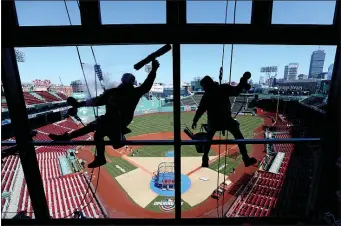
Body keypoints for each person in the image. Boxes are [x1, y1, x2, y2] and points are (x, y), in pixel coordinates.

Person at [49, 60, 160, 168]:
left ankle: (69, 138)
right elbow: (147, 85)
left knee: (94, 127)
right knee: (98, 134)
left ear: (123, 81)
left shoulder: (115, 92)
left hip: (113, 121)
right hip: (116, 121)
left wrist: (79, 104)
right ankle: (98, 155)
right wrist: (154, 70)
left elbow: (96, 101)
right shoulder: (132, 92)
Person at [191, 73, 257, 168]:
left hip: (213, 122)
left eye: (203, 86)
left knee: (208, 138)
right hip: (226, 120)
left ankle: (205, 158)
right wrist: (243, 80)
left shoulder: (206, 95)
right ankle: (245, 157)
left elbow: (200, 110)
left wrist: (195, 121)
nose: (203, 89)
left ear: (207, 85)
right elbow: (236, 91)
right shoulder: (223, 88)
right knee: (238, 135)